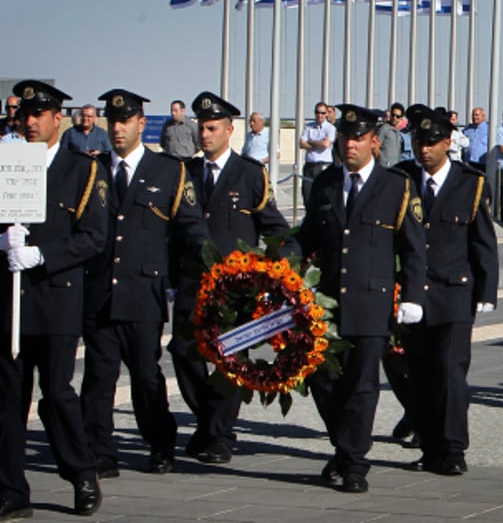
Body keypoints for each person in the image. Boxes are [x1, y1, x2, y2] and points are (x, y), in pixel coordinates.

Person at [296, 104, 426, 493]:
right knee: (322, 377)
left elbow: (415, 247)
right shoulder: (326, 183)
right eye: (343, 137)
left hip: (373, 302)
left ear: (374, 141)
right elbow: (310, 236)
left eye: (357, 138)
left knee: (362, 384)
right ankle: (345, 445)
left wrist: (413, 296)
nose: (349, 144)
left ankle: (354, 462)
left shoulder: (396, 186)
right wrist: (279, 259)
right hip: (329, 301)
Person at [83, 89, 209, 477]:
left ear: (141, 123)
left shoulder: (168, 170)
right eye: (112, 121)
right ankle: (99, 450)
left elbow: (192, 227)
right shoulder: (92, 168)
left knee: (145, 374)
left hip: (143, 291)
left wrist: (216, 268)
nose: (117, 129)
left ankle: (159, 442)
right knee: (99, 378)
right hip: (100, 291)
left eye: (125, 121)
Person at [170, 92, 296, 466]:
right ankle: (209, 421)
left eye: (211, 128)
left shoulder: (249, 173)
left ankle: (219, 436)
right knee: (182, 352)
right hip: (194, 282)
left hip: (234, 289)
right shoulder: (186, 173)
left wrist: (276, 268)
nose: (204, 135)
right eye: (200, 127)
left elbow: (274, 229)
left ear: (229, 130)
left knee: (229, 360)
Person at [0, 80, 106, 518]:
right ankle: (11, 491)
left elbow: (93, 237)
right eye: (24, 115)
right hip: (11, 298)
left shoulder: (81, 169)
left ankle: (81, 472)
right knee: (7, 400)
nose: (29, 122)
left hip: (57, 297)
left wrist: (42, 253)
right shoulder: (5, 164)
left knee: (58, 394)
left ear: (56, 119)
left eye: (38, 115)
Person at [395, 107, 498, 475]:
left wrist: (488, 289)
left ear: (448, 143)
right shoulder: (403, 180)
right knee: (421, 373)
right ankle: (429, 444)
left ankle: (453, 448)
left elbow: (482, 240)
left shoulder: (469, 182)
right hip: (415, 294)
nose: (424, 150)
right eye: (418, 142)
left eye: (432, 143)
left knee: (452, 371)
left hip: (455, 291)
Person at [299, 102, 337, 204]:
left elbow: (326, 144)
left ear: (326, 114)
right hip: (309, 165)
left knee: (322, 196)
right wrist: (319, 143)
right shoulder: (309, 127)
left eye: (322, 113)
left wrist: (310, 141)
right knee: (307, 195)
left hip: (323, 166)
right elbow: (301, 144)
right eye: (317, 112)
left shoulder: (330, 128)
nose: (320, 115)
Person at [463, 107, 489, 173]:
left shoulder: (489, 129)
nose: (474, 117)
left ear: (483, 116)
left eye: (477, 115)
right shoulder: (467, 130)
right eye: (473, 115)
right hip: (468, 163)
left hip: (482, 164)